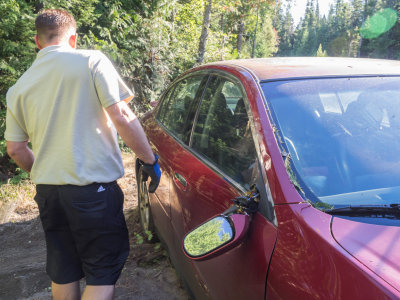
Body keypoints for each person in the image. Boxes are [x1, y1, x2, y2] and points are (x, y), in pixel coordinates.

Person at [5, 9, 160, 300]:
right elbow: (122, 116)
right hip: (94, 192)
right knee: (101, 272)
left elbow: (15, 149)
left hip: (50, 193)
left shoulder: (19, 87)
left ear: (37, 41)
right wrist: (149, 160)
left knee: (64, 270)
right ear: (73, 38)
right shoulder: (90, 60)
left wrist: (49, 171)